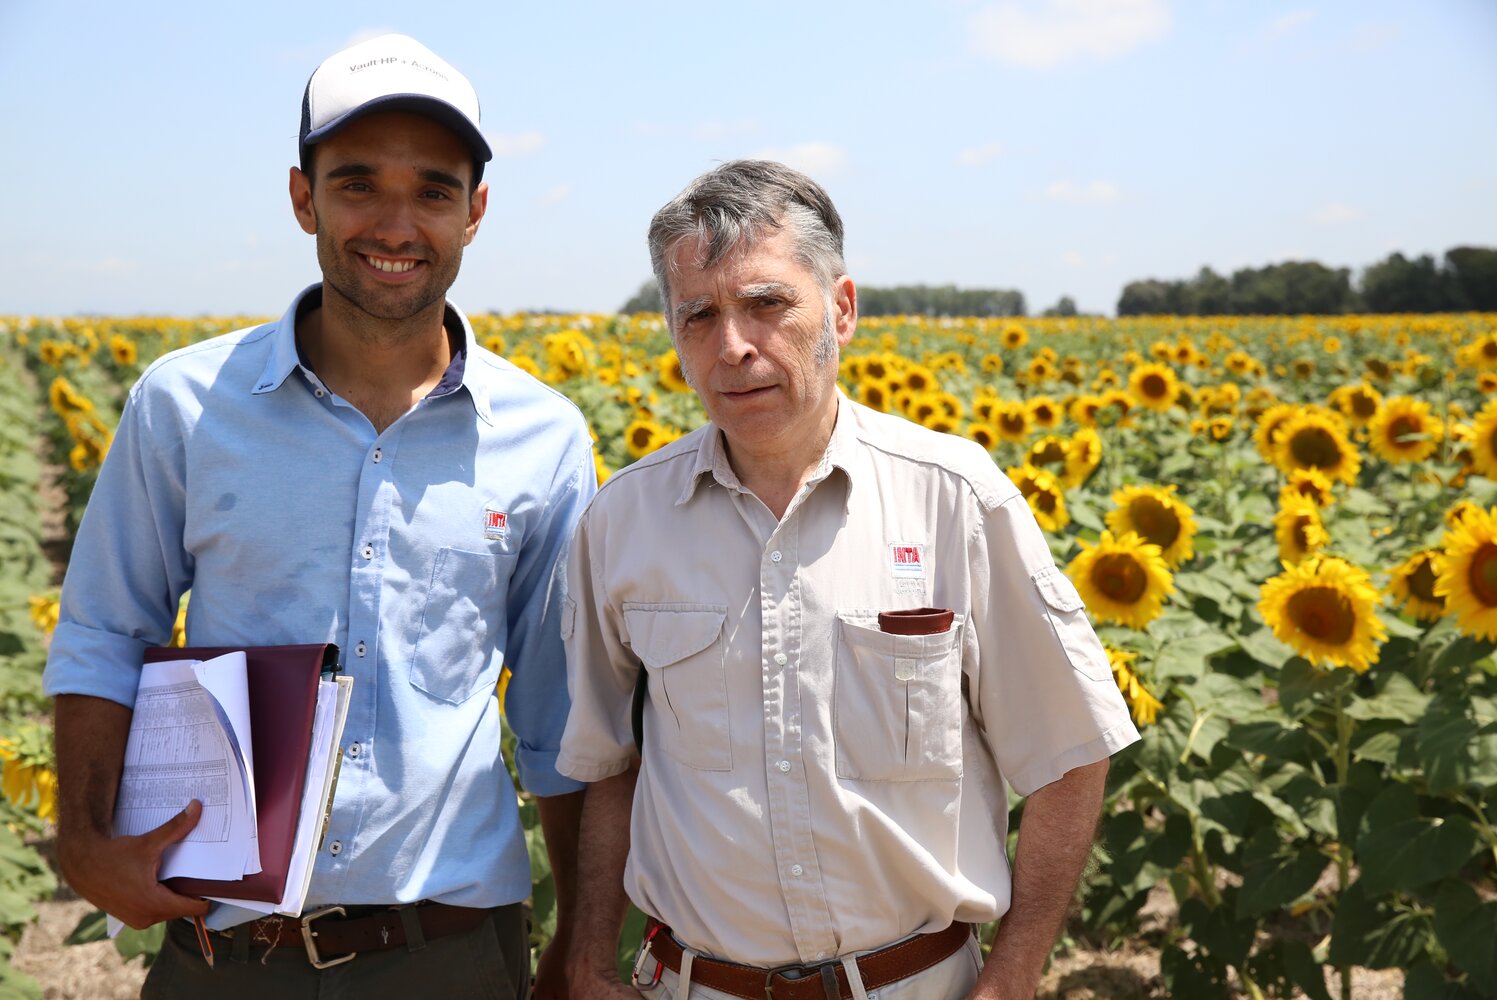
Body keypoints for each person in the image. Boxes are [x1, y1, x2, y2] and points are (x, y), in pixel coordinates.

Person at [43, 34, 592, 999]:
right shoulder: (184, 404)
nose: (395, 222)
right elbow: (102, 629)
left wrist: (583, 945)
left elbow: (559, 714)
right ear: (302, 197)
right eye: (356, 185)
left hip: (449, 950)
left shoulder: (541, 437)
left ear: (476, 211)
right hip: (224, 949)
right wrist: (85, 843)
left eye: (432, 190)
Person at [558, 160, 1141, 1000]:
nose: (734, 347)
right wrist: (585, 963)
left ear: (840, 308)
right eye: (699, 315)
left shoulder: (954, 498)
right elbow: (605, 765)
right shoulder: (624, 521)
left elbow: (1069, 752)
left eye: (767, 304)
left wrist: (1013, 976)